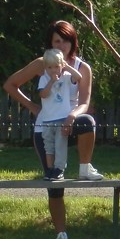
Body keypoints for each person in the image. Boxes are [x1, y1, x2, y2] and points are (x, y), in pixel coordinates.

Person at [3, 20, 102, 239]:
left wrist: (72, 116)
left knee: (88, 122)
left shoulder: (82, 68)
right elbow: (10, 85)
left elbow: (84, 102)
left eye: (66, 40)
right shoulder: (42, 63)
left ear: (73, 42)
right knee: (53, 179)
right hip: (46, 126)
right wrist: (33, 107)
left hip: (70, 121)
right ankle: (61, 233)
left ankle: (85, 167)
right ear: (50, 43)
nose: (62, 45)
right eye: (57, 41)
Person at [37, 48, 82, 181]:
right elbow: (43, 94)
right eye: (50, 67)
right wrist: (51, 81)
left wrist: (67, 67)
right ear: (45, 67)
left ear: (61, 65)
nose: (53, 70)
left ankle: (59, 169)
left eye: (56, 67)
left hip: (62, 118)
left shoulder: (66, 77)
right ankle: (50, 169)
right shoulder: (44, 78)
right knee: (49, 146)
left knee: (60, 145)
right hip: (48, 119)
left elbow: (78, 77)